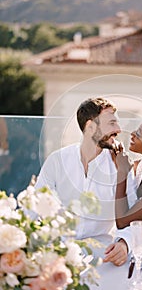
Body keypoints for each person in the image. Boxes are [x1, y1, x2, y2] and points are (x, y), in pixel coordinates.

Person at [36, 97, 136, 266]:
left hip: (103, 255)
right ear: (90, 126)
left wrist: (125, 243)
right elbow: (35, 207)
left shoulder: (121, 165)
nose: (118, 129)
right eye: (111, 123)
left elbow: (135, 214)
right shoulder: (57, 160)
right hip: (56, 253)